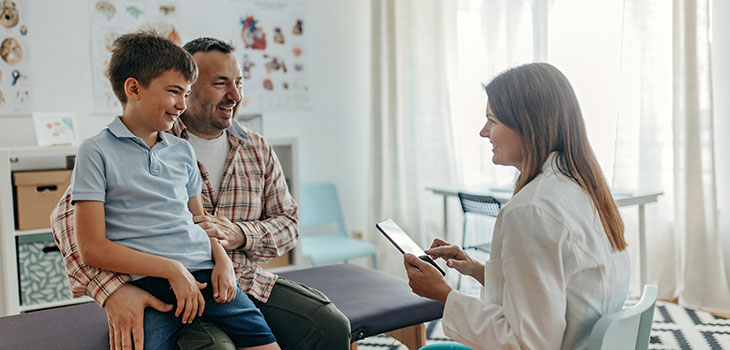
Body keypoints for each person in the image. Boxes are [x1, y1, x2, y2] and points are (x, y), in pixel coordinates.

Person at [51, 36, 350, 350]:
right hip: (161, 284)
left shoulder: (255, 148)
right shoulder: (122, 145)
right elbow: (68, 226)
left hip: (238, 280)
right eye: (220, 83)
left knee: (329, 324)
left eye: (238, 82)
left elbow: (289, 225)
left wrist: (239, 235)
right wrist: (111, 290)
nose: (234, 95)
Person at [70, 32, 279, 350]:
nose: (182, 105)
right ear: (134, 88)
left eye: (186, 93)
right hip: (149, 284)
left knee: (265, 344)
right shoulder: (95, 151)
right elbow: (92, 248)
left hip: (207, 275)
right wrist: (171, 269)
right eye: (174, 92)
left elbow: (198, 220)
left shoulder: (181, 151)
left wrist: (221, 259)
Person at [403, 63, 630, 349]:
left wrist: (444, 295)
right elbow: (557, 288)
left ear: (528, 126)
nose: (483, 132)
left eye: (493, 120)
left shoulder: (531, 211)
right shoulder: (584, 188)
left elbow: (528, 343)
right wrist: (477, 270)